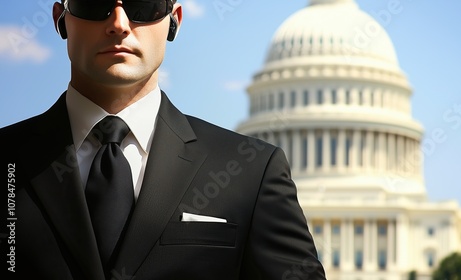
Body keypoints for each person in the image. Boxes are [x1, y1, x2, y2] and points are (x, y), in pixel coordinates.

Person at [0, 0, 326, 279]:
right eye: (94, 3)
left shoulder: (252, 172)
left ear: (174, 21)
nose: (119, 24)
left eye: (144, 5)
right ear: (61, 19)